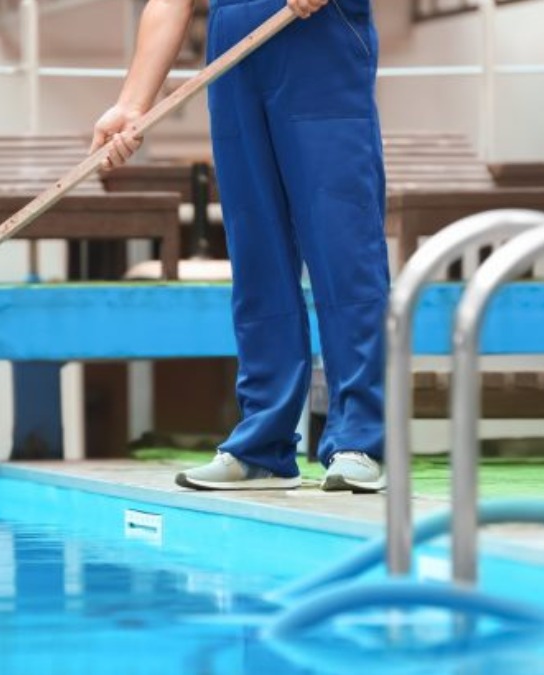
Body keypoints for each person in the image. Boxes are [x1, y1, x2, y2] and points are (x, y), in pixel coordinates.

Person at [92, 0, 388, 492]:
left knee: (342, 241)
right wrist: (132, 104)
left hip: (318, 32)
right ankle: (262, 446)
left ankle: (362, 437)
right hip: (234, 45)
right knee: (257, 251)